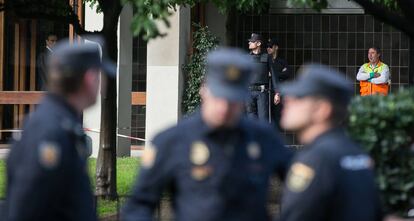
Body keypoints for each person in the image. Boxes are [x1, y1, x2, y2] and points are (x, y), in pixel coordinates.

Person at [122, 48, 292, 221]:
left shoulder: (264, 138)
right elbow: (138, 206)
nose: (224, 108)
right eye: (219, 96)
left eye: (232, 99)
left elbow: (305, 191)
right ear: (204, 90)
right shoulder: (173, 140)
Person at [4, 38, 116, 221]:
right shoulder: (48, 132)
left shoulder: (63, 125)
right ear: (90, 78)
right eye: (101, 75)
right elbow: (26, 210)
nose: (104, 84)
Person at [278, 64, 382, 221]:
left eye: (299, 97)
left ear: (322, 110)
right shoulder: (356, 151)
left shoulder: (315, 159)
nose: (288, 100)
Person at [246, 33, 271, 122]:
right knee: (251, 120)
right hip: (249, 92)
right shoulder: (247, 58)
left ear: (258, 43)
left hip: (262, 92)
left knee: (263, 120)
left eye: (252, 42)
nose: (249, 43)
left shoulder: (266, 57)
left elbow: (274, 76)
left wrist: (277, 92)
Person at [267, 38, 290, 128]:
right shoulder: (266, 61)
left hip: (278, 91)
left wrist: (273, 74)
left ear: (276, 47)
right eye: (267, 47)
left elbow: (287, 73)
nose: (268, 48)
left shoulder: (282, 61)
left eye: (270, 47)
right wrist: (280, 73)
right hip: (267, 91)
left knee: (277, 116)